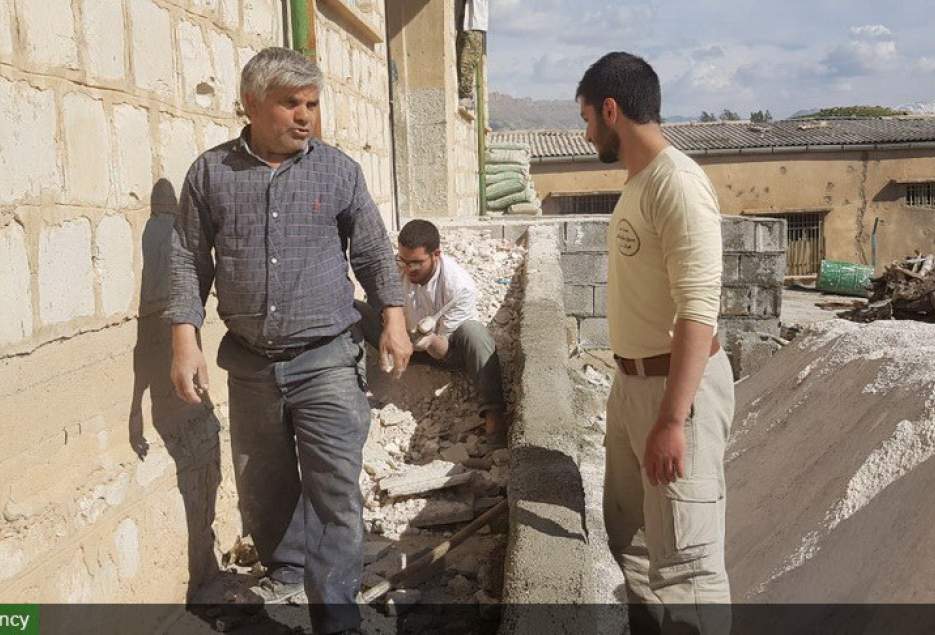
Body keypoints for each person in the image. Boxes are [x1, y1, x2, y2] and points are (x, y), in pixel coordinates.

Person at [167, 47, 412, 635]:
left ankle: (335, 616)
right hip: (250, 365)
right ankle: (286, 572)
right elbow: (185, 259)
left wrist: (395, 318)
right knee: (263, 486)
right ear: (252, 104)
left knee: (333, 490)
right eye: (290, 103)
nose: (305, 116)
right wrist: (184, 339)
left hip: (327, 357)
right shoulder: (211, 174)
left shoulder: (337, 171)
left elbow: (375, 251)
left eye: (312, 103)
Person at [576, 52, 734, 633]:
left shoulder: (679, 185)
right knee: (635, 541)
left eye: (588, 118)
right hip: (636, 386)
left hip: (675, 393)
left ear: (611, 110)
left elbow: (698, 313)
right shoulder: (641, 183)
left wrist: (672, 420)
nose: (586, 132)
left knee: (688, 570)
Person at [356, 219, 507, 445]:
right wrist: (391, 328)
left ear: (436, 254)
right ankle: (356, 389)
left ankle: (493, 415)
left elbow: (442, 350)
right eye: (404, 261)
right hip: (400, 339)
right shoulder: (397, 269)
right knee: (353, 309)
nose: (408, 269)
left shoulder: (459, 287)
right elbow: (380, 305)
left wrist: (427, 341)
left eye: (416, 263)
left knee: (475, 333)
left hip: (444, 350)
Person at [455, 0, 489, 106]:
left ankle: (466, 95)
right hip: (466, 23)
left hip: (475, 26)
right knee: (461, 59)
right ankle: (464, 93)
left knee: (467, 61)